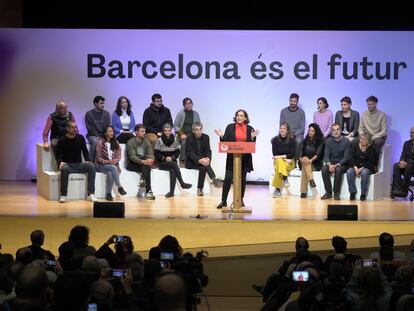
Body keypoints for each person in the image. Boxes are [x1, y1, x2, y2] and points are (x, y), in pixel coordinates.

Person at [215, 109, 258, 208]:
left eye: (241, 115)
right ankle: (223, 200)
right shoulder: (230, 127)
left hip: (245, 158)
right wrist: (221, 136)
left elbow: (252, 144)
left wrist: (252, 138)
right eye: (238, 115)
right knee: (228, 178)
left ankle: (240, 199)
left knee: (242, 179)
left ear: (245, 117)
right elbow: (225, 141)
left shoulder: (250, 128)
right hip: (232, 158)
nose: (239, 117)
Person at [55, 121, 97, 203]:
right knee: (64, 168)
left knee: (91, 166)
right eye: (73, 127)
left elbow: (85, 150)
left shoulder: (80, 138)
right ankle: (63, 195)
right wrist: (60, 162)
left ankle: (91, 194)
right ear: (67, 128)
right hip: (68, 165)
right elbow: (57, 154)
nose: (75, 129)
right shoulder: (62, 140)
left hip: (79, 164)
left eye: (76, 127)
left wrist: (88, 160)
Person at [154, 123, 192, 198]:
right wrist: (165, 158)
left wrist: (172, 157)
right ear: (163, 131)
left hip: (171, 161)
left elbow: (177, 151)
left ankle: (171, 192)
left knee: (172, 170)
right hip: (162, 163)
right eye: (165, 131)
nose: (167, 132)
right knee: (174, 165)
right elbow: (156, 153)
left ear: (171, 131)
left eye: (169, 130)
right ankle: (182, 183)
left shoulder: (174, 139)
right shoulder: (159, 140)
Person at [185, 122, 221, 196]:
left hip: (202, 161)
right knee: (204, 165)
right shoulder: (189, 138)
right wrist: (199, 160)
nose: (199, 131)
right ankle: (214, 179)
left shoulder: (206, 137)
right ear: (193, 131)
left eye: (200, 129)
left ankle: (200, 189)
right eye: (197, 130)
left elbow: (208, 150)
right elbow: (190, 153)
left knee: (203, 167)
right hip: (193, 161)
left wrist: (208, 158)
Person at [95, 126, 127, 201]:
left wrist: (113, 161)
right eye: (109, 131)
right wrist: (107, 162)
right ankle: (119, 187)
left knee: (110, 172)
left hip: (113, 165)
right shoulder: (100, 142)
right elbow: (98, 157)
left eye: (112, 131)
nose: (112, 133)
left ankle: (108, 194)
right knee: (113, 168)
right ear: (105, 133)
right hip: (101, 165)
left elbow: (118, 156)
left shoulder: (116, 143)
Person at [321, 123, 351, 200]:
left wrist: (338, 164)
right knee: (324, 169)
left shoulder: (346, 141)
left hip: (342, 163)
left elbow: (346, 157)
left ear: (341, 131)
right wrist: (329, 165)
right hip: (331, 163)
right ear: (331, 132)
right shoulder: (328, 141)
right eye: (334, 130)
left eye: (337, 129)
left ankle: (336, 192)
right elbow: (326, 156)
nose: (336, 132)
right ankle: (328, 192)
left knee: (338, 169)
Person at [126, 124, 156, 200]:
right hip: (133, 163)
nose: (144, 133)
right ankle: (149, 191)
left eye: (144, 131)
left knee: (147, 166)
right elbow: (132, 157)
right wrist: (143, 161)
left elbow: (151, 153)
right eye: (142, 131)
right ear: (136, 132)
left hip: (144, 163)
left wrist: (151, 160)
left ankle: (143, 180)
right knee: (146, 166)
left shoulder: (146, 141)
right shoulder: (130, 142)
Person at [346, 133, 379, 201]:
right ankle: (352, 192)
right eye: (360, 138)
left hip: (366, 167)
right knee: (349, 172)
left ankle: (363, 193)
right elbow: (350, 157)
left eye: (363, 139)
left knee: (364, 173)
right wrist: (355, 167)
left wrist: (361, 168)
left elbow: (371, 162)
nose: (361, 140)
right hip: (355, 166)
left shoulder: (372, 149)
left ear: (368, 141)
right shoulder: (355, 145)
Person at [298, 123, 324, 198]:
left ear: (316, 132)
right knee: (305, 159)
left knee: (305, 164)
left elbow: (318, 155)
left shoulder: (320, 142)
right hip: (304, 162)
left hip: (315, 163)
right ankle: (311, 181)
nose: (310, 132)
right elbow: (300, 153)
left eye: (312, 131)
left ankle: (303, 192)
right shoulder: (304, 141)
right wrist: (301, 159)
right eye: (309, 130)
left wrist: (310, 161)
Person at [270, 122, 296, 198]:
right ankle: (285, 177)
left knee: (279, 166)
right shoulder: (275, 140)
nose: (282, 130)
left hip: (290, 162)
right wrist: (285, 158)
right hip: (282, 161)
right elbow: (275, 154)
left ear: (287, 130)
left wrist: (280, 157)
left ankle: (277, 190)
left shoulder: (292, 140)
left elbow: (291, 154)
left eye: (284, 128)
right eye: (281, 128)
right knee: (279, 162)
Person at [174, 97, 201, 165]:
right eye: (186, 104)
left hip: (193, 133)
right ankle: (183, 160)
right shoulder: (181, 113)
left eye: (190, 103)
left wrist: (198, 132)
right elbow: (175, 125)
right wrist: (181, 133)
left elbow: (198, 124)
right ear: (184, 105)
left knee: (202, 140)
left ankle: (197, 160)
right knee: (184, 142)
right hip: (183, 134)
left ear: (192, 104)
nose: (188, 105)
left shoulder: (196, 114)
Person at [85, 95, 111, 162]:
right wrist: (97, 136)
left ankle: (106, 162)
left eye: (103, 103)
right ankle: (91, 163)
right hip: (92, 135)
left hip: (103, 135)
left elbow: (108, 126)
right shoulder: (89, 114)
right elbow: (90, 128)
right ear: (95, 104)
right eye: (101, 103)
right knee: (95, 141)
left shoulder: (106, 114)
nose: (103, 105)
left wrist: (104, 136)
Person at [280, 93, 306, 158]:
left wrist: (294, 135)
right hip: (286, 133)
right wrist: (286, 134)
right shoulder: (283, 111)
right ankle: (280, 159)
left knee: (298, 140)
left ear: (297, 102)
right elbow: (281, 125)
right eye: (291, 101)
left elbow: (302, 128)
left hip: (297, 134)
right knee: (273, 140)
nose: (292, 103)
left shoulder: (301, 112)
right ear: (289, 100)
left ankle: (295, 159)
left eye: (294, 101)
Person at [391, 127, 414, 198]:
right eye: (410, 132)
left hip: (411, 166)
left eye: (413, 133)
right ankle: (399, 189)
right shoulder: (406, 143)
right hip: (406, 165)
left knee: (409, 167)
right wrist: (402, 161)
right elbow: (403, 154)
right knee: (395, 166)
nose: (411, 134)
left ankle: (404, 191)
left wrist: (407, 163)